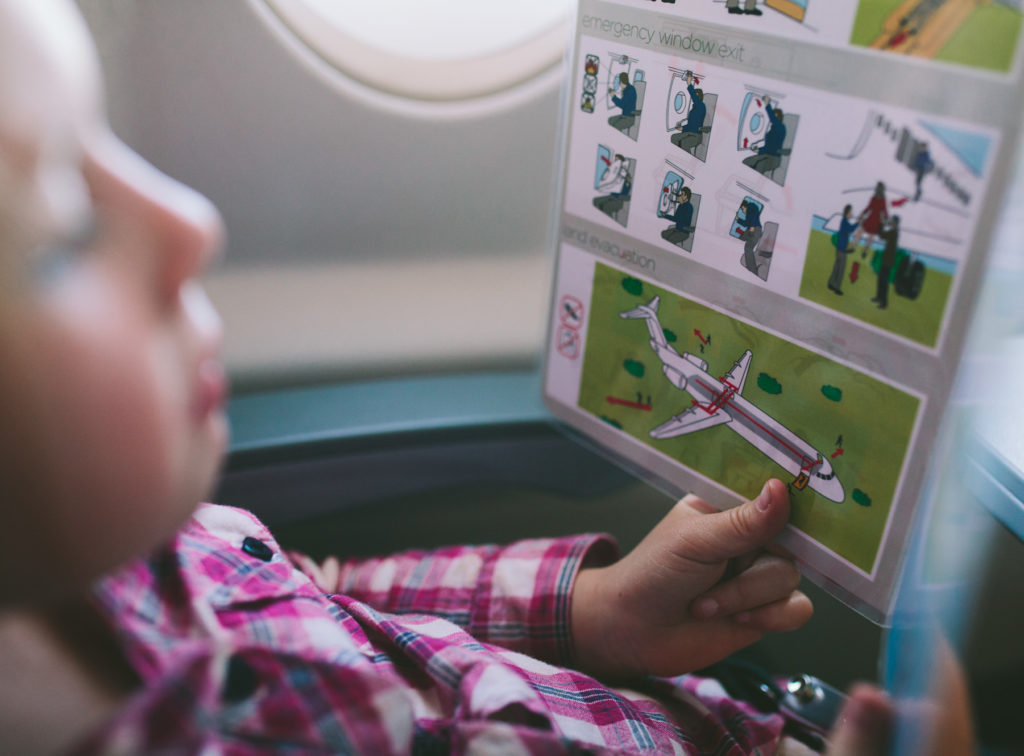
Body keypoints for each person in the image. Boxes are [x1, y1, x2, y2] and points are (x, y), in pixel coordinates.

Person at [0, 2, 970, 754]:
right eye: (61, 228)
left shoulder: (148, 551)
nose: (188, 222)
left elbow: (318, 592)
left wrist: (592, 613)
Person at [743, 96, 786, 176]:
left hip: (774, 158)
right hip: (766, 154)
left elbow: (772, 149)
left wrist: (767, 103)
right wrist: (758, 150)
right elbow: (767, 147)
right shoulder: (771, 132)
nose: (773, 119)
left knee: (759, 166)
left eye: (775, 117)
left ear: (779, 118)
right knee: (747, 161)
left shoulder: (781, 128)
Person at [850, 182, 888, 260]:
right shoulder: (874, 198)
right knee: (862, 233)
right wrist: (862, 214)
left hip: (875, 220)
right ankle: (855, 247)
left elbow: (883, 211)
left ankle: (863, 250)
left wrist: (886, 219)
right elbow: (869, 208)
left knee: (869, 236)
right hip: (872, 219)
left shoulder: (881, 199)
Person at [671, 72, 707, 153]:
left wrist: (689, 83)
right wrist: (682, 128)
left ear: (699, 97)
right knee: (673, 138)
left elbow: (694, 97)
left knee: (684, 143)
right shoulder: (693, 111)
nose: (693, 98)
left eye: (695, 96)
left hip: (696, 136)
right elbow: (691, 125)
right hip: (689, 133)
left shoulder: (701, 106)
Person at [828, 205, 859, 295]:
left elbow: (850, 229)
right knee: (841, 268)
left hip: (839, 249)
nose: (851, 214)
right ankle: (837, 288)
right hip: (842, 250)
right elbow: (851, 229)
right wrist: (858, 222)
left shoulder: (844, 221)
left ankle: (831, 283)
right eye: (850, 213)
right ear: (847, 213)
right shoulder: (845, 222)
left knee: (836, 266)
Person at [873, 215, 900, 310]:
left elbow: (882, 235)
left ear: (895, 223)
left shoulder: (894, 232)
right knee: (881, 280)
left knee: (884, 282)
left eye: (892, 221)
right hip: (886, 260)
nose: (891, 222)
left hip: (888, 261)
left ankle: (884, 303)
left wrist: (882, 224)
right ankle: (879, 297)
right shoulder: (894, 232)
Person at [739, 199, 764, 275]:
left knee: (748, 248)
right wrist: (738, 220)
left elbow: (755, 210)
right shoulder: (749, 214)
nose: (743, 211)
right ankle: (751, 267)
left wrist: (752, 226)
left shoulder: (751, 206)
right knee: (742, 238)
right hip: (754, 230)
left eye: (743, 209)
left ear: (745, 206)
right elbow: (746, 223)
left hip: (755, 230)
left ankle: (753, 269)